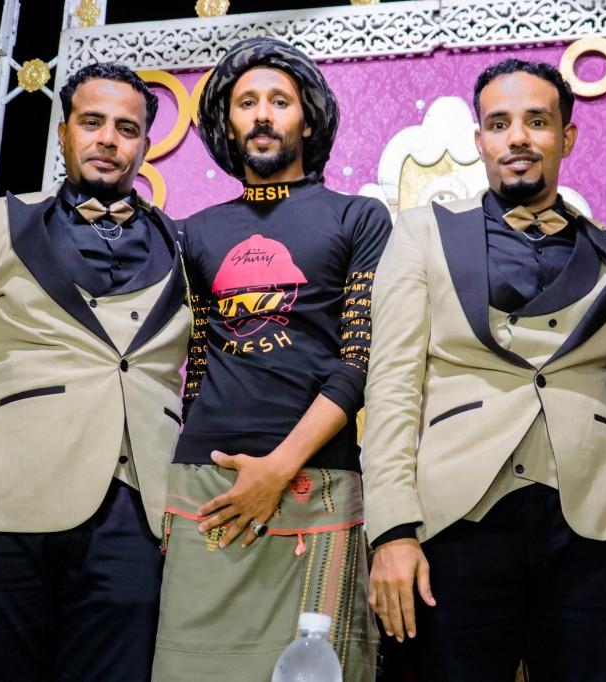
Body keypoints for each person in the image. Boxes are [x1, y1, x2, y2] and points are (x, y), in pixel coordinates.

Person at [0, 62, 190, 680]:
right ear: (63, 133)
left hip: (135, 509)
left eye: (127, 128)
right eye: (92, 122)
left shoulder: (184, 244)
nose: (108, 139)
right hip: (9, 499)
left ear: (144, 144)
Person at [362, 58, 606, 681]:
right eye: (500, 123)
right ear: (480, 139)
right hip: (456, 519)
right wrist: (393, 530)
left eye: (537, 121)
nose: (518, 138)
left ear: (566, 136)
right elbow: (392, 386)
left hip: (593, 521)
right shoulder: (422, 232)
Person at [150, 37, 390, 681]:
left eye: (279, 101)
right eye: (246, 102)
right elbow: (195, 369)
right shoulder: (194, 232)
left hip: (316, 485)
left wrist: (278, 470)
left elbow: (359, 361)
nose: (262, 114)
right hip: (206, 487)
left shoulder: (359, 218)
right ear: (228, 123)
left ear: (307, 120)